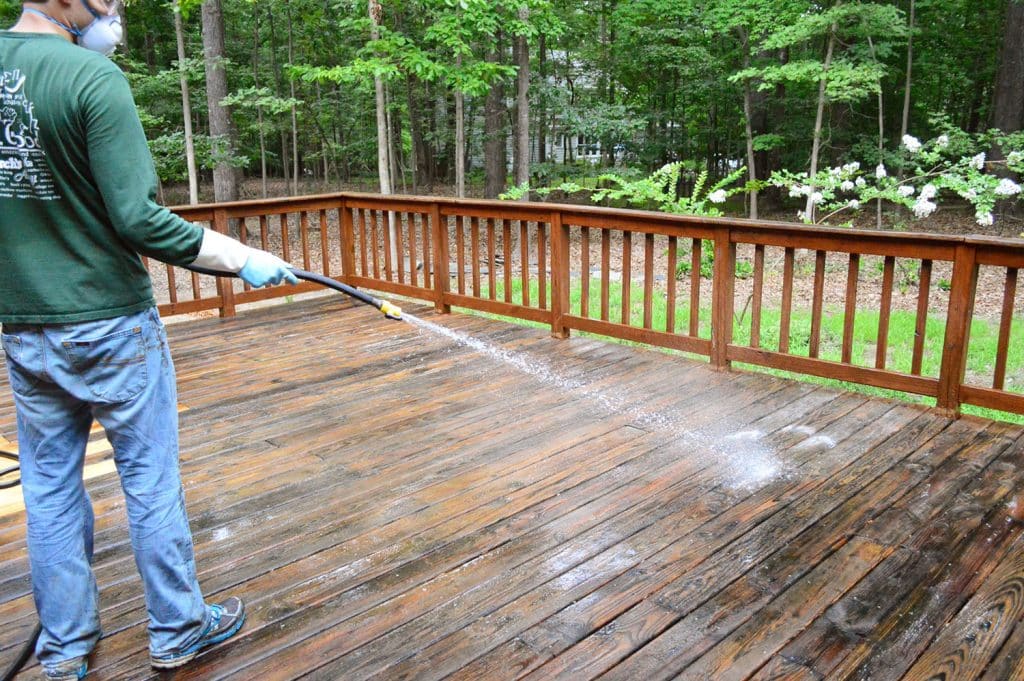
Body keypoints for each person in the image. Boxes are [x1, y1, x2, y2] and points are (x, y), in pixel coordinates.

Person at [0, 1, 298, 678]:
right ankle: (179, 627)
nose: (117, 12)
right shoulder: (89, 78)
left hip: (24, 323)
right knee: (149, 477)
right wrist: (235, 255)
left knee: (47, 487)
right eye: (108, 1)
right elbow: (138, 218)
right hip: (108, 320)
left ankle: (65, 647)